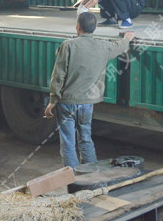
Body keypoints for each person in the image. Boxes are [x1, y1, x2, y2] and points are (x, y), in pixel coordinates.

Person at [44, 12, 135, 169]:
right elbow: (119, 47)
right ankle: (91, 174)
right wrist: (127, 38)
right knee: (86, 139)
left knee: (68, 143)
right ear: (94, 28)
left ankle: (73, 176)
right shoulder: (103, 46)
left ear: (78, 27)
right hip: (87, 104)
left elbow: (58, 76)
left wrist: (52, 101)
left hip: (67, 103)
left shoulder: (68, 46)